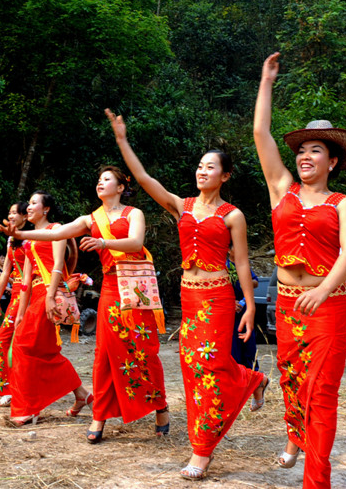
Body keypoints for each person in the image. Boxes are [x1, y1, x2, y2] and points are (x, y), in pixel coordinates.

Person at [106, 108, 267, 480]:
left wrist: (250, 309)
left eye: (210, 167)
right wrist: (122, 140)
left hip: (219, 297)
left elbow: (241, 264)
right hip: (189, 299)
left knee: (208, 367)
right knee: (192, 370)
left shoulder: (232, 215)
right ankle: (253, 380)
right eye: (200, 165)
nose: (202, 171)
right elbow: (145, 178)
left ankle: (202, 450)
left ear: (224, 176)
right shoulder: (182, 205)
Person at [253, 52, 346, 488]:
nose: (304, 156)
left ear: (332, 161)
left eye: (314, 150)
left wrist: (323, 290)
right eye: (300, 151)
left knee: (322, 394)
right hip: (286, 303)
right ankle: (296, 437)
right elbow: (260, 133)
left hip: (329, 307)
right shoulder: (282, 189)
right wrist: (266, 82)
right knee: (293, 382)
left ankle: (316, 480)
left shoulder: (342, 203)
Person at [4, 168, 169, 443]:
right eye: (98, 180)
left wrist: (103, 242)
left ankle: (160, 407)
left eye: (106, 179)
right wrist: (21, 235)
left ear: (120, 187)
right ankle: (99, 415)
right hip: (110, 289)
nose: (100, 183)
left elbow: (137, 242)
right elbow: (56, 234)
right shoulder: (90, 218)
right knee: (104, 353)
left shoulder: (133, 213)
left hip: (136, 289)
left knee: (142, 351)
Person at [8, 191, 92, 426]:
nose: (29, 207)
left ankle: (28, 408)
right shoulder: (28, 240)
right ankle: (82, 394)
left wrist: (50, 296)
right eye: (29, 203)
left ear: (46, 209)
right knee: (44, 352)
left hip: (48, 293)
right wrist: (21, 312)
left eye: (34, 203)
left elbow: (57, 266)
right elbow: (25, 281)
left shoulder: (57, 229)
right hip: (34, 295)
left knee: (24, 347)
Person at [0, 203, 29, 406]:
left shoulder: (32, 237)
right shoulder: (12, 239)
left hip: (28, 293)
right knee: (4, 340)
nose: (10, 215)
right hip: (16, 294)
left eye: (14, 213)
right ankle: (8, 387)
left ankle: (15, 388)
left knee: (12, 342)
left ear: (25, 217)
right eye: (9, 212)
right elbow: (6, 272)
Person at [227, 248, 260, 372]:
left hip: (244, 307)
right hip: (229, 308)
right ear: (229, 250)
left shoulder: (243, 265)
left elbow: (255, 282)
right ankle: (235, 371)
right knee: (233, 343)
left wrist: (245, 282)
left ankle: (251, 373)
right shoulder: (224, 266)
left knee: (248, 341)